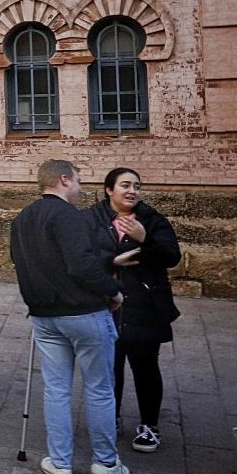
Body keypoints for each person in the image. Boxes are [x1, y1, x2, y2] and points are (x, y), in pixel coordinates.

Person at [9, 160, 128, 474]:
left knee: (57, 389)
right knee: (100, 389)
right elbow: (80, 265)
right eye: (77, 181)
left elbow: (22, 263)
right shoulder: (68, 216)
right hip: (83, 313)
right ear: (63, 180)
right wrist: (113, 291)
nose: (80, 188)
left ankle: (60, 462)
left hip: (44, 315)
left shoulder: (21, 220)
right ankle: (105, 463)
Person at [88, 168, 181, 453]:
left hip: (144, 304)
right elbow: (81, 255)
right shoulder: (91, 219)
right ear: (109, 190)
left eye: (137, 186)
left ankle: (149, 425)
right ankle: (111, 418)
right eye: (125, 185)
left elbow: (172, 256)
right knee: (109, 368)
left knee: (146, 368)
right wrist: (111, 260)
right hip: (105, 305)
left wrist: (145, 239)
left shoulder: (151, 220)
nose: (132, 191)